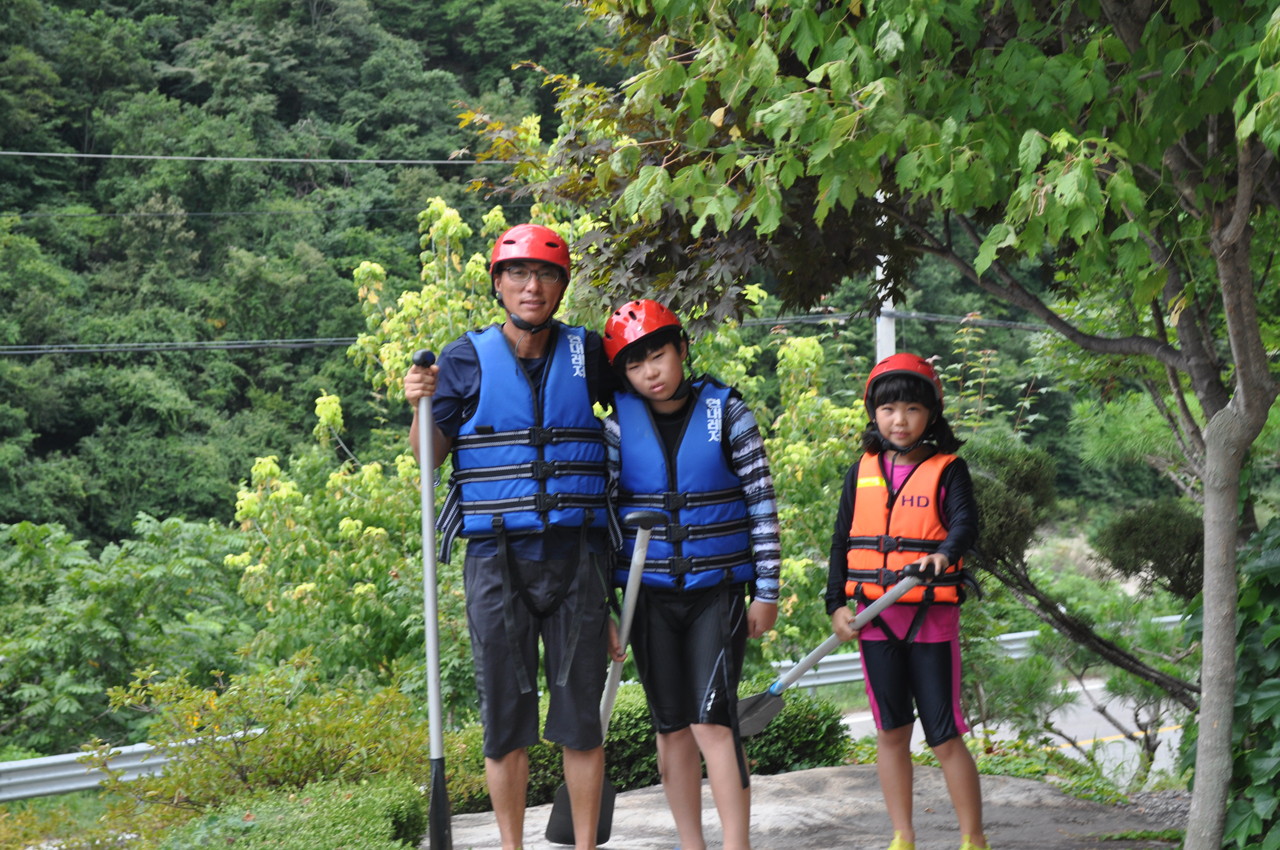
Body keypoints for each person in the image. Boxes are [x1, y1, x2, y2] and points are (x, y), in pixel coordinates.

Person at [405, 223, 625, 850]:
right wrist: (419, 404)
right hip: (496, 558)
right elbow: (428, 457)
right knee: (505, 725)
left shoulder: (589, 353)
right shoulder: (463, 358)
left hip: (579, 556)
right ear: (499, 284)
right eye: (519, 274)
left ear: (562, 286)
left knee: (581, 722)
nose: (533, 286)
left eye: (547, 275)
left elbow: (641, 410)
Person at [601, 300, 780, 850]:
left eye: (658, 356)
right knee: (672, 728)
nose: (650, 372)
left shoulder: (729, 412)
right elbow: (600, 521)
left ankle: (736, 844)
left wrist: (767, 590)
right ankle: (691, 843)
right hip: (648, 598)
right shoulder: (615, 429)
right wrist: (605, 607)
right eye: (635, 365)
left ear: (682, 348)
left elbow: (761, 502)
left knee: (712, 721)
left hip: (716, 593)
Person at [825, 353, 987, 850]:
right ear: (874, 413)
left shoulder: (948, 469)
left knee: (943, 733)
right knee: (891, 731)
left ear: (931, 414)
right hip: (875, 619)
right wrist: (835, 605)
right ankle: (903, 836)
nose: (900, 420)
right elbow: (841, 541)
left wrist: (943, 554)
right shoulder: (861, 472)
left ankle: (972, 838)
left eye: (913, 409)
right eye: (889, 409)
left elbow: (965, 524)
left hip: (929, 619)